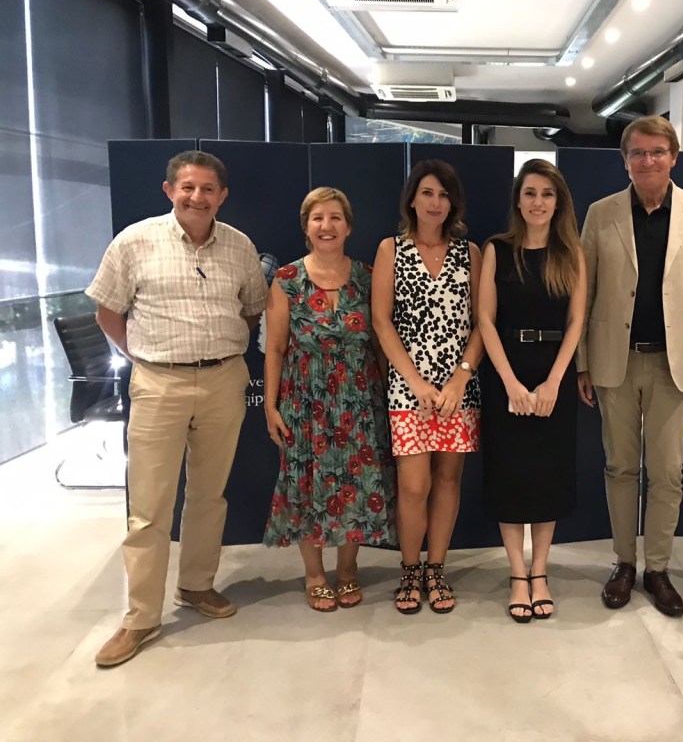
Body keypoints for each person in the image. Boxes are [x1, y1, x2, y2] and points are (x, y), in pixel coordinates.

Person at [86, 150, 267, 666]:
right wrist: (144, 358)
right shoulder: (134, 241)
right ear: (170, 191)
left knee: (209, 495)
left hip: (223, 380)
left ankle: (196, 585)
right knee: (149, 507)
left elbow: (252, 310)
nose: (197, 197)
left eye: (208, 189)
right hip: (158, 382)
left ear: (222, 196)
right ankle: (141, 616)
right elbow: (107, 312)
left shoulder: (239, 246)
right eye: (188, 187)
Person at [576, 115, 683, 618]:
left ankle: (657, 567)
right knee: (619, 467)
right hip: (614, 362)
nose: (648, 160)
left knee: (667, 472)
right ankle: (624, 562)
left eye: (657, 151)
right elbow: (585, 293)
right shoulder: (601, 214)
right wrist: (582, 363)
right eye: (637, 152)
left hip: (673, 365)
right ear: (625, 160)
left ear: (673, 157)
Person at [263, 187, 397, 612]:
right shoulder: (286, 280)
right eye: (318, 218)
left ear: (349, 226)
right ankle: (315, 574)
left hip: (360, 398)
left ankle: (348, 568)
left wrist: (389, 394)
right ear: (306, 227)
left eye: (336, 217)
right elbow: (275, 349)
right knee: (306, 484)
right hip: (305, 400)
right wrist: (270, 405)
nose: (327, 226)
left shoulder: (368, 276)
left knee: (357, 483)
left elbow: (380, 343)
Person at [371, 160, 483, 614]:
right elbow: (382, 321)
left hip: (458, 387)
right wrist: (415, 382)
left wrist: (461, 376)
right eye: (428, 193)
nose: (436, 202)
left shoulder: (469, 252)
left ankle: (436, 569)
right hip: (408, 389)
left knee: (448, 480)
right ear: (412, 200)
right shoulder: (391, 249)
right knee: (414, 486)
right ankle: (410, 570)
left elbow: (481, 322)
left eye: (444, 195)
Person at [478, 160, 586, 623]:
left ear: (558, 202)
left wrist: (554, 382)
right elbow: (485, 320)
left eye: (547, 193)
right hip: (507, 372)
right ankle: (516, 574)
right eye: (530, 193)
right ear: (518, 201)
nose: (538, 202)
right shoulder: (497, 249)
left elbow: (576, 321)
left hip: (552, 375)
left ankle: (540, 571)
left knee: (548, 477)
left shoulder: (571, 253)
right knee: (510, 476)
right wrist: (510, 382)